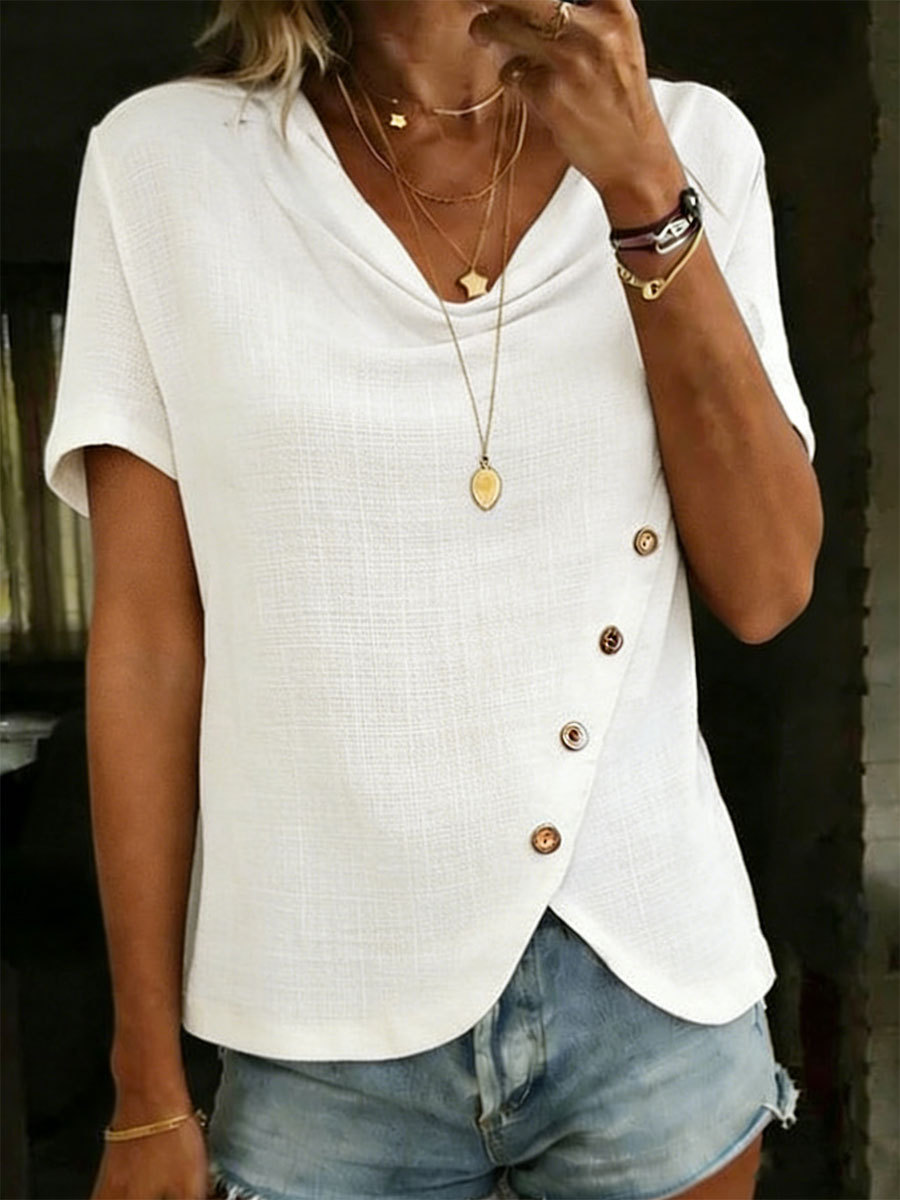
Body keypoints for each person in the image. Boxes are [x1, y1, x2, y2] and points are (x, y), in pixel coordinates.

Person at [42, 0, 823, 1197]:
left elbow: (767, 586)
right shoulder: (166, 168)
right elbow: (147, 646)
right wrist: (145, 1079)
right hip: (322, 1032)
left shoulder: (693, 143)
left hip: (653, 1003)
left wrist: (643, 193)